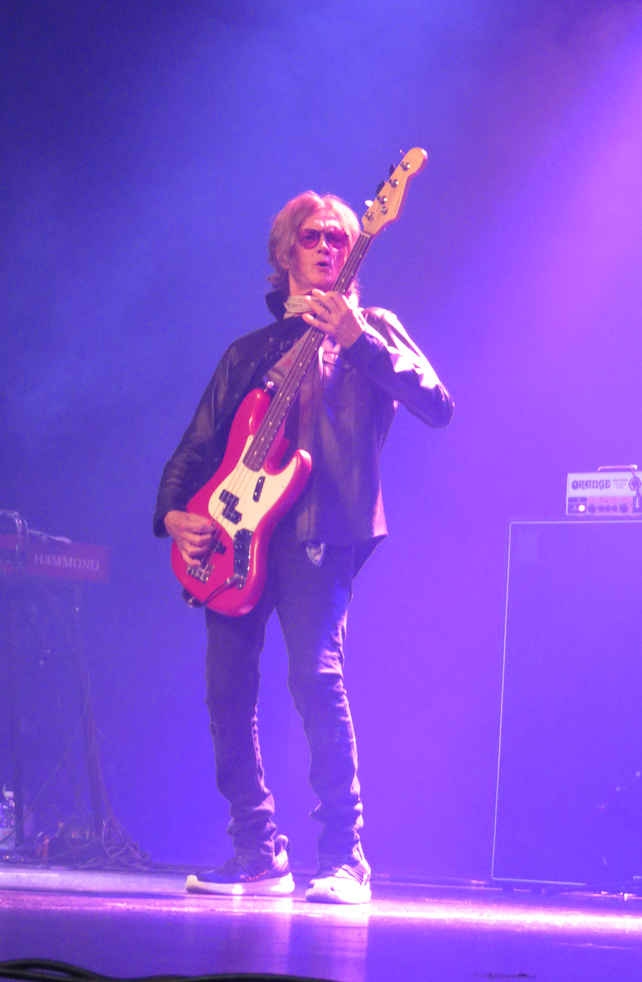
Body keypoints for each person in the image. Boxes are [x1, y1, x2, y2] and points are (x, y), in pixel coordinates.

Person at [153, 190, 453, 904]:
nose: (328, 247)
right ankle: (257, 851)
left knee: (315, 681)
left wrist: (358, 338)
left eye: (340, 239)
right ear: (285, 250)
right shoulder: (247, 353)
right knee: (226, 690)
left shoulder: (371, 329)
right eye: (314, 236)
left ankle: (346, 858)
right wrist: (173, 515)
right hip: (233, 537)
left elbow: (438, 405)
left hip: (321, 530)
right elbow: (195, 448)